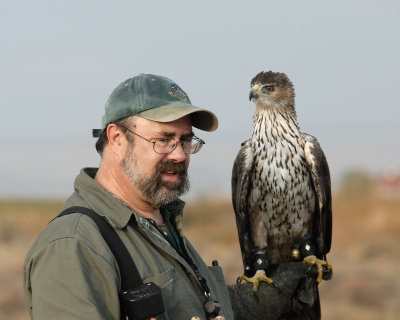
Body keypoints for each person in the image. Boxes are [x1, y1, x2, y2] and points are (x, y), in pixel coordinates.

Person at [23, 73, 316, 320]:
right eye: (162, 140)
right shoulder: (72, 245)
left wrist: (272, 295)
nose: (178, 155)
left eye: (186, 141)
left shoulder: (158, 223)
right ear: (116, 139)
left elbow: (192, 304)